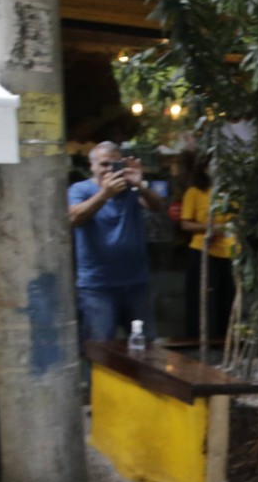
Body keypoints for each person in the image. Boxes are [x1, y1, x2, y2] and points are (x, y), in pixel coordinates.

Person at [68, 141, 165, 345]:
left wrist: (140, 184)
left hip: (136, 284)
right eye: (104, 164)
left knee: (146, 349)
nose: (109, 170)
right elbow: (74, 217)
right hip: (97, 287)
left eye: (115, 165)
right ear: (92, 166)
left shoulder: (131, 190)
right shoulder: (81, 189)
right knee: (99, 348)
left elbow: (157, 206)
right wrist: (105, 193)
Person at [179, 158, 237, 343]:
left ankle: (223, 341)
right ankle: (200, 340)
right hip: (203, 251)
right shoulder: (195, 192)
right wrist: (210, 228)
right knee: (204, 301)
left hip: (229, 252)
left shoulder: (231, 193)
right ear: (204, 168)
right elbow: (185, 223)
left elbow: (239, 219)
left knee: (227, 299)